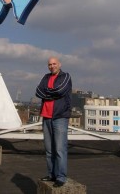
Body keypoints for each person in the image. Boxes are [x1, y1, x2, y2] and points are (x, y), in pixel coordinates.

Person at [35, 57, 72, 187]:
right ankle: (52, 174)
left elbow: (60, 90)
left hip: (60, 117)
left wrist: (48, 93)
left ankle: (61, 177)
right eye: (50, 64)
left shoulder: (65, 76)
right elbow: (38, 91)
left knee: (60, 149)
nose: (52, 66)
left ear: (59, 64)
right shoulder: (45, 77)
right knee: (49, 149)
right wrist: (51, 94)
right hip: (46, 116)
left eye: (54, 64)